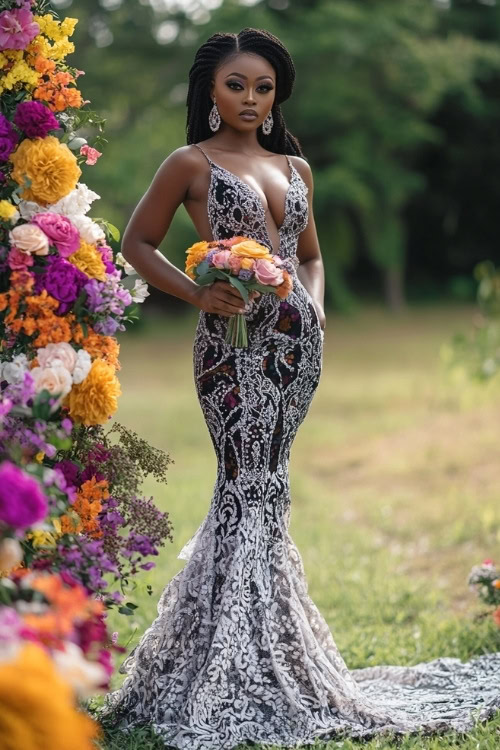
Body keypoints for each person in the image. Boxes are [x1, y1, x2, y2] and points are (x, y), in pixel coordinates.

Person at [99, 27, 500, 750]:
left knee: (271, 485)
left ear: (276, 96)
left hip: (295, 349)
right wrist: (197, 294)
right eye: (236, 86)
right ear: (211, 92)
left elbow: (308, 258)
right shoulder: (189, 162)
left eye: (263, 88)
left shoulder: (297, 167)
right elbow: (136, 244)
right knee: (242, 481)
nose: (251, 99)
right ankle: (224, 662)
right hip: (231, 349)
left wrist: (314, 306)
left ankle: (267, 647)